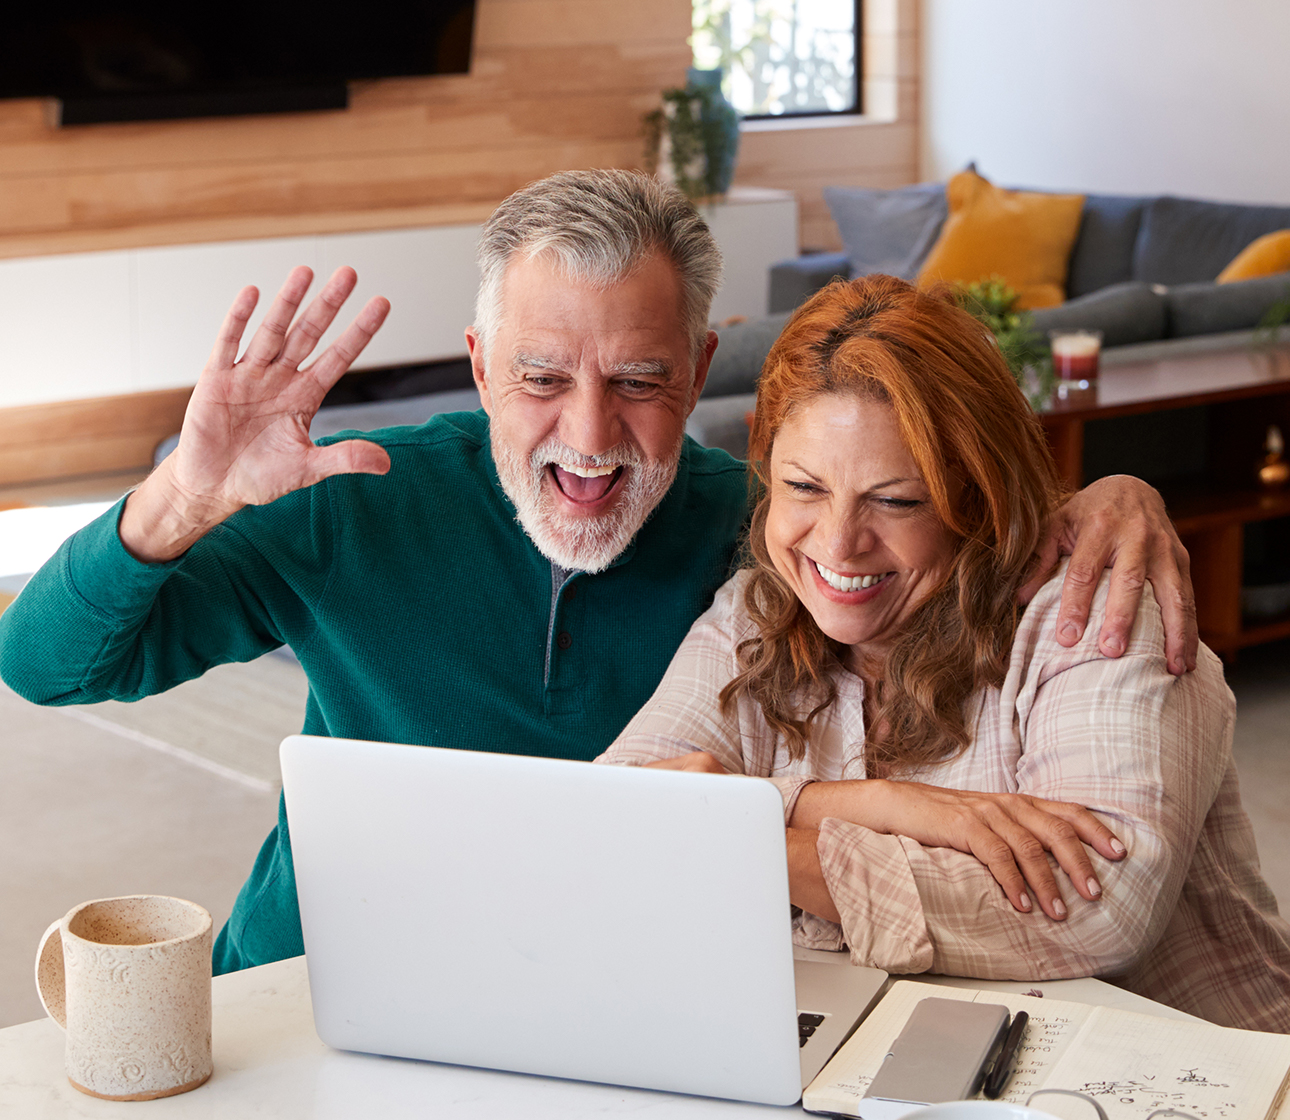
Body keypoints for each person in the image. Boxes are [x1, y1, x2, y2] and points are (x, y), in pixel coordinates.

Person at [0, 171, 1199, 976]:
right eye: (540, 377)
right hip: (321, 968)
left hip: (604, 986)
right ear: (476, 365)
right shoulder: (341, 494)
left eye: (637, 379)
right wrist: (172, 501)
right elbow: (41, 669)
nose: (589, 433)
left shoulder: (763, 538)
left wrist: (1106, 493)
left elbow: (920, 518)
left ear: (699, 368)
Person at [599, 274, 1290, 1033]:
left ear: (977, 489)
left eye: (896, 500)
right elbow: (607, 820)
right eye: (802, 487)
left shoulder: (1093, 609)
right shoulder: (755, 614)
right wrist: (877, 804)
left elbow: (1099, 906)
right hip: (904, 1062)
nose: (837, 544)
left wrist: (747, 832)